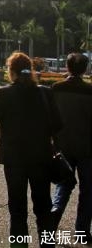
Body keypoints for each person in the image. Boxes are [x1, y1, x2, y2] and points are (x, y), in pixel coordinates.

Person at [0, 51, 62, 243]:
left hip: (14, 159)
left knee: (17, 209)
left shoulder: (4, 93)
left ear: (11, 71)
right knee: (43, 208)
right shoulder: (45, 93)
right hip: (41, 157)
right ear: (30, 70)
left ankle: (19, 245)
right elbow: (58, 124)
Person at [51, 52, 92, 239]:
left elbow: (50, 118)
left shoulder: (55, 89)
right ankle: (82, 231)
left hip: (62, 146)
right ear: (85, 69)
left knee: (64, 185)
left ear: (67, 67)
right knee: (87, 190)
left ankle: (54, 214)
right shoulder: (90, 91)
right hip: (87, 147)